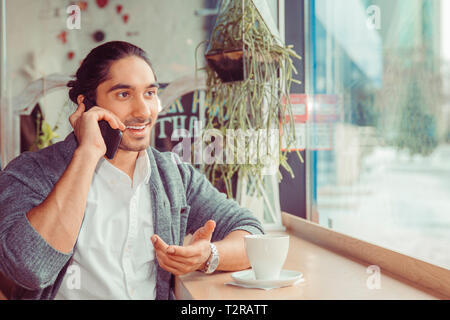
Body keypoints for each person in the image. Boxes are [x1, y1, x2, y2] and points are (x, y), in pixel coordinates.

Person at [0, 41, 264, 300]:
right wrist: (87, 154)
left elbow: (252, 235)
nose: (143, 111)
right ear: (87, 104)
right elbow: (30, 269)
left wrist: (208, 256)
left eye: (149, 93)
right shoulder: (30, 173)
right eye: (124, 94)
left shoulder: (173, 176)